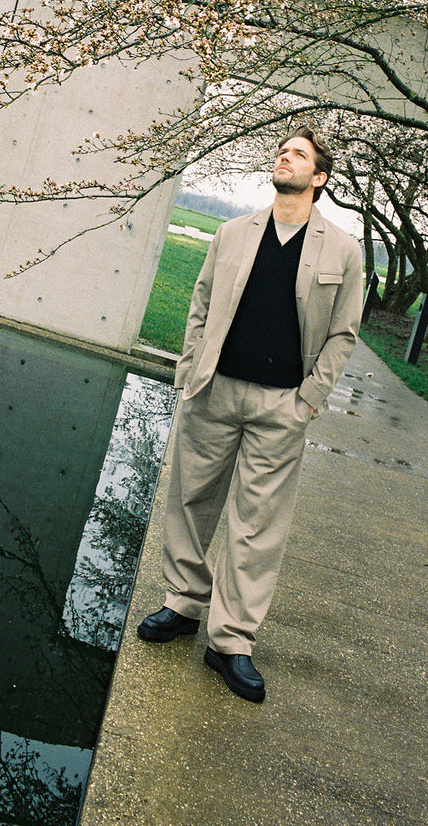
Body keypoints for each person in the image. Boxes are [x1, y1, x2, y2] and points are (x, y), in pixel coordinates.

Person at [137, 124, 363, 702]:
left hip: (280, 405)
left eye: (299, 155)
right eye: (283, 150)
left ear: (320, 178)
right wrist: (191, 372)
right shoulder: (234, 233)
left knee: (257, 526)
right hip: (216, 391)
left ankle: (231, 642)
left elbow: (343, 334)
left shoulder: (342, 249)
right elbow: (201, 302)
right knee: (192, 499)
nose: (285, 157)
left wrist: (309, 399)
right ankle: (183, 604)